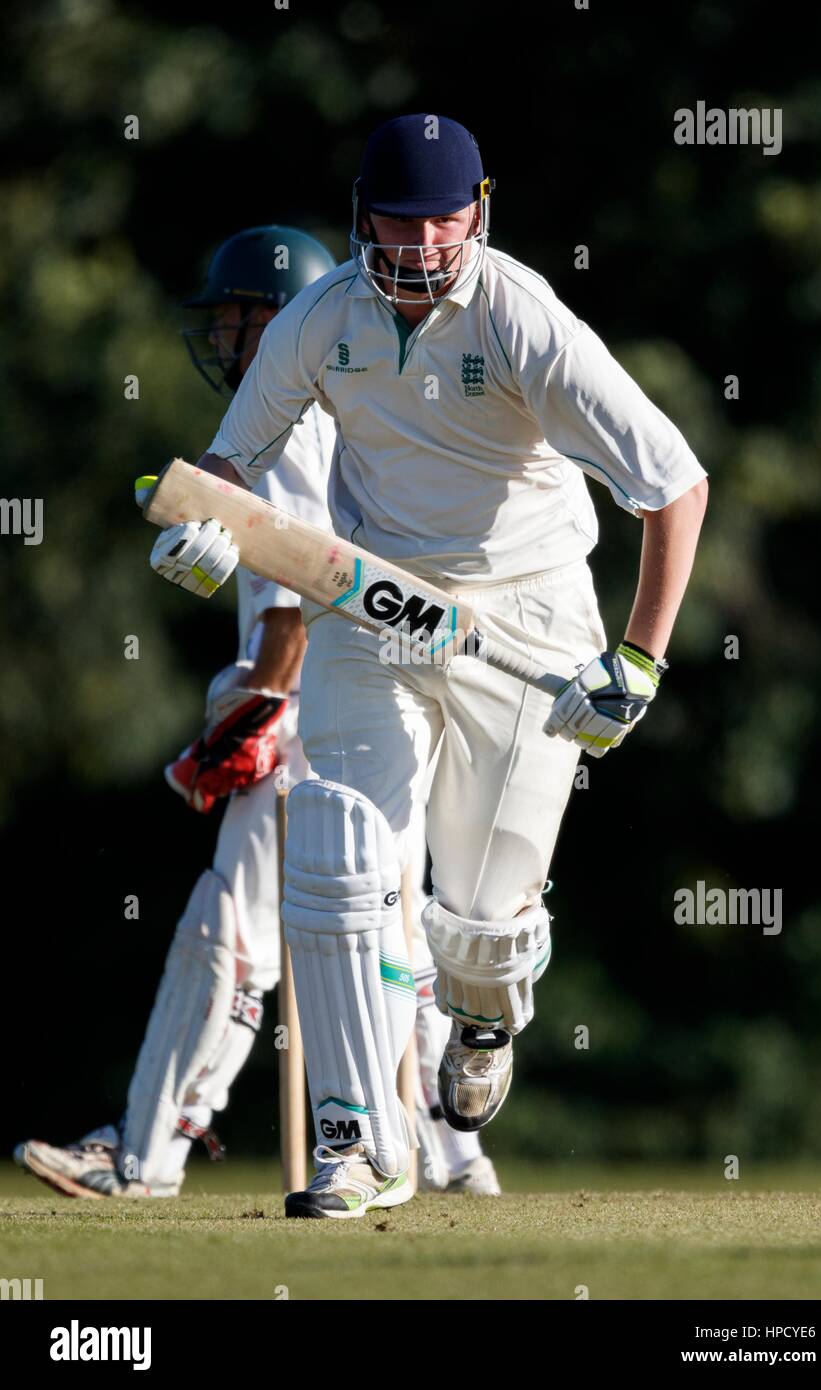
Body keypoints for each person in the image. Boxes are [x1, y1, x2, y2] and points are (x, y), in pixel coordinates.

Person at [143, 114, 709, 1220]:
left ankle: (485, 1020)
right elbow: (227, 465)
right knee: (342, 843)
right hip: (374, 606)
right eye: (397, 216)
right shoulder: (321, 316)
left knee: (483, 926)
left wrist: (638, 657)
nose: (418, 238)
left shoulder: (523, 320)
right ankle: (360, 1142)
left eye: (441, 215)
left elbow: (672, 484)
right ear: (362, 216)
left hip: (527, 616)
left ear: (479, 212)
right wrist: (198, 526)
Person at [14, 222, 499, 1199]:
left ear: (273, 319)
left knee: (231, 929)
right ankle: (453, 1152)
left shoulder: (275, 418)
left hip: (300, 714)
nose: (223, 336)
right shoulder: (344, 410)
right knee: (385, 925)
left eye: (235, 316)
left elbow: (298, 584)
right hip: (366, 706)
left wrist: (259, 710)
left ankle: (147, 1155)